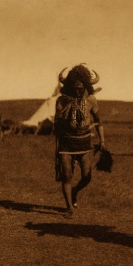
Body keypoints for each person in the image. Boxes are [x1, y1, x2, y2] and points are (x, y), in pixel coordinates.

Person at [54, 64, 106, 218]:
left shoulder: (91, 100)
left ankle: (75, 191)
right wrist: (66, 113)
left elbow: (98, 121)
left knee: (87, 176)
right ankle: (69, 208)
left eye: (80, 88)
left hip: (84, 142)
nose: (77, 91)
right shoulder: (61, 101)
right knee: (67, 176)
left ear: (86, 87)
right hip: (66, 143)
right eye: (74, 88)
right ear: (69, 87)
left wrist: (102, 141)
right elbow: (57, 124)